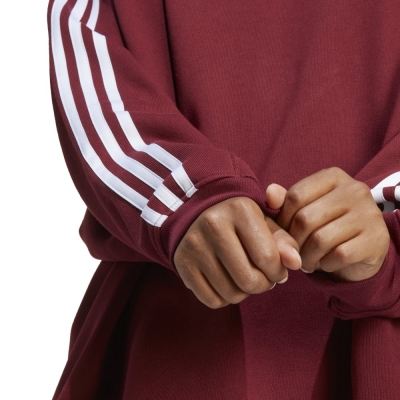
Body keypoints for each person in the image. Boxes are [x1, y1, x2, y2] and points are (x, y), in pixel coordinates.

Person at [48, 0, 400, 398]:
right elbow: (98, 83)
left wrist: (383, 220)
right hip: (180, 331)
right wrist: (189, 200)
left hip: (378, 338)